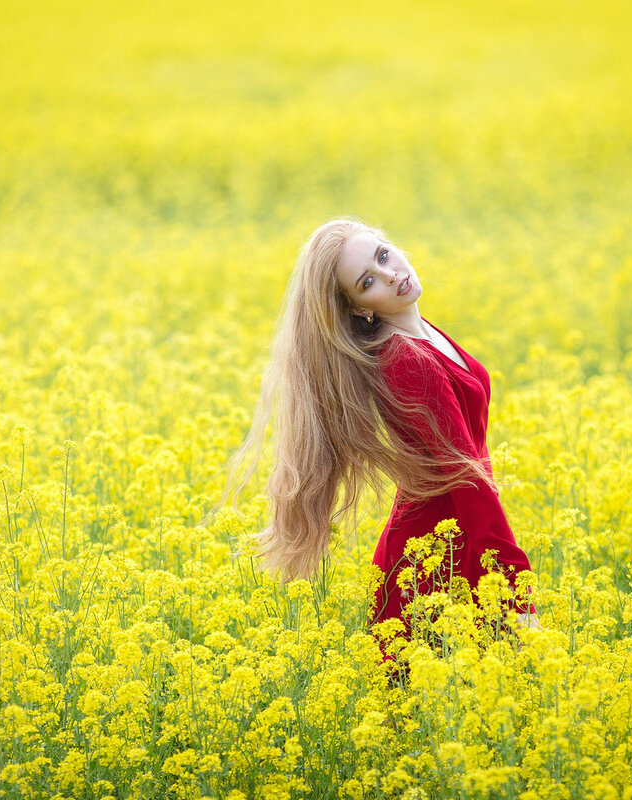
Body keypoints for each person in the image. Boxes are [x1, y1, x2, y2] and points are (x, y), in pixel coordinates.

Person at [215, 218, 536, 640]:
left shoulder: (420, 332)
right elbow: (466, 478)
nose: (391, 274)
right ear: (358, 308)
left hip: (459, 542)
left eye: (383, 255)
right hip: (435, 569)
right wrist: (513, 583)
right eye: (368, 282)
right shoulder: (407, 360)